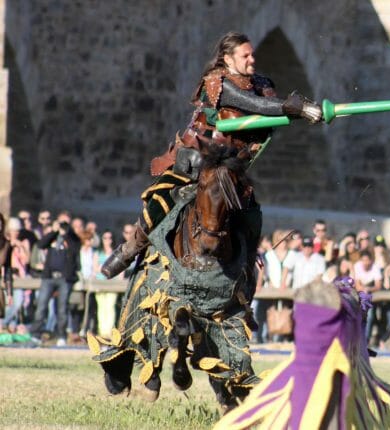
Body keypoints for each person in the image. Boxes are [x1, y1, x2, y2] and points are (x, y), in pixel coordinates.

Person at [101, 31, 323, 278]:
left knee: (250, 210)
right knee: (162, 199)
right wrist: (298, 108)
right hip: (196, 161)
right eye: (245, 55)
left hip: (229, 167)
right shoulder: (218, 82)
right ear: (228, 59)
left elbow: (270, 108)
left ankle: (248, 264)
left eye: (252, 54)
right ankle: (129, 250)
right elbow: (256, 106)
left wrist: (306, 110)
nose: (252, 59)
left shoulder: (260, 84)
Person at [29, 219, 81, 345]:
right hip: (48, 277)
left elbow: (75, 248)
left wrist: (67, 233)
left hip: (64, 278)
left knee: (62, 308)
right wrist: (54, 231)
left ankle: (61, 335)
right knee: (41, 306)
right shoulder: (52, 237)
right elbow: (41, 244)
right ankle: (36, 334)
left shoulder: (72, 239)